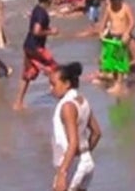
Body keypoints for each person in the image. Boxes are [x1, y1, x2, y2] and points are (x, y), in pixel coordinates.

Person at [50, 62, 102, 191]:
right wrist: (85, 154)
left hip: (72, 165)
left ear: (67, 84)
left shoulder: (67, 107)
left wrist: (62, 172)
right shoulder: (81, 100)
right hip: (86, 161)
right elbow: (96, 133)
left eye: (53, 84)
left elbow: (73, 143)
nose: (50, 89)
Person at [14, 0, 59, 110]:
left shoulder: (37, 9)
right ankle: (60, 95)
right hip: (36, 48)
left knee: (28, 74)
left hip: (28, 46)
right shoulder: (42, 13)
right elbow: (36, 31)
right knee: (55, 69)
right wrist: (51, 32)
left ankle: (18, 103)